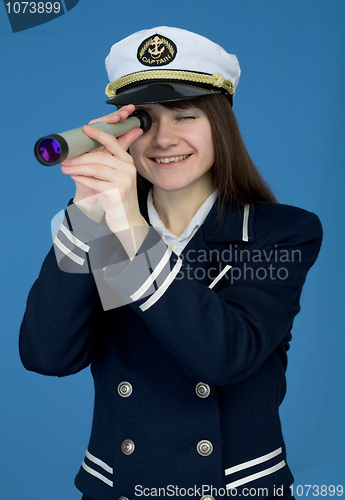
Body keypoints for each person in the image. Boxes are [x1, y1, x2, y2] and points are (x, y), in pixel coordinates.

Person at [19, 26, 323, 500]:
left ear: (221, 124)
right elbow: (46, 356)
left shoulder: (282, 232)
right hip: (117, 488)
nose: (163, 140)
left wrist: (132, 232)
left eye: (185, 116)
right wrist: (88, 216)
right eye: (142, 122)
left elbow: (224, 355)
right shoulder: (98, 228)